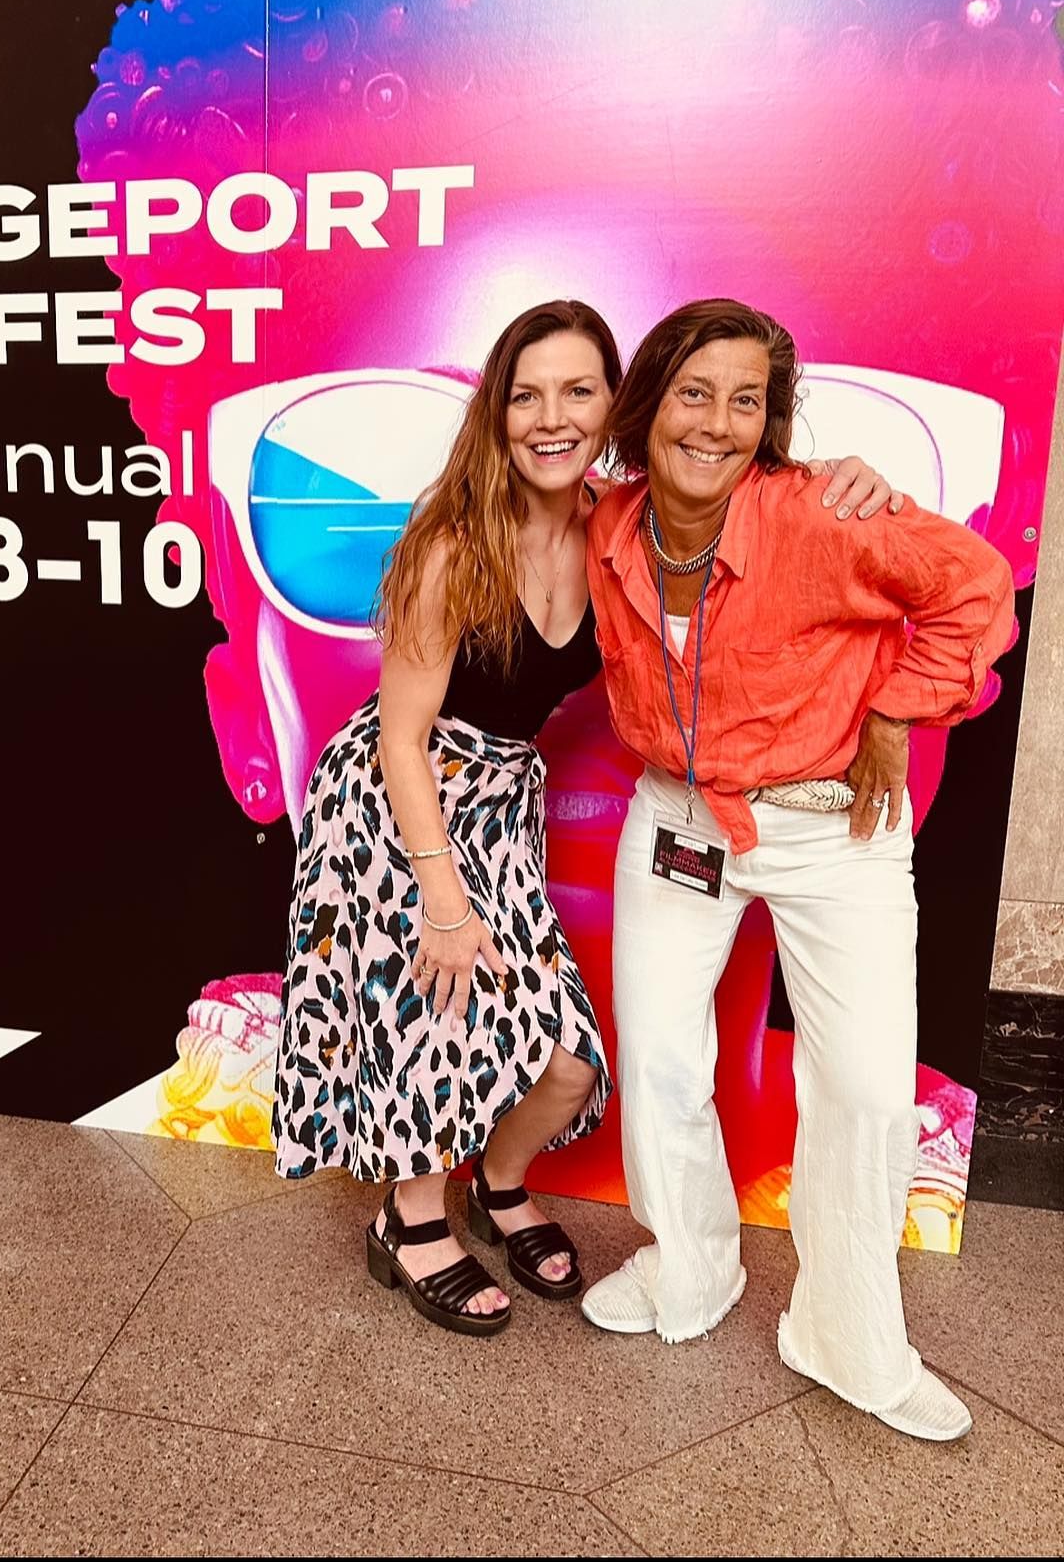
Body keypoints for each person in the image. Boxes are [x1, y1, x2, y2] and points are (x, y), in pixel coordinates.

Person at [272, 297, 895, 1336]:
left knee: (567, 1062)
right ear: (498, 411)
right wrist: (440, 898)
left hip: (501, 801)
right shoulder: (450, 543)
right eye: (527, 396)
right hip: (396, 806)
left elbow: (742, 497)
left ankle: (496, 1183)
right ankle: (408, 1218)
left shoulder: (619, 522)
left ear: (616, 403)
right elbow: (400, 739)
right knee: (432, 1013)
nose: (551, 417)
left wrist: (845, 480)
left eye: (578, 391)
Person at [580, 297, 1014, 1440]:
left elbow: (976, 587)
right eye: (693, 392)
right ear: (649, 403)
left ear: (770, 420)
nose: (716, 423)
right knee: (660, 1058)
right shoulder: (611, 524)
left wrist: (898, 709)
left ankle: (849, 1335)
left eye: (747, 400)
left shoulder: (822, 510)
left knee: (866, 1088)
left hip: (830, 827)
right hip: (679, 818)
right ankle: (689, 1267)